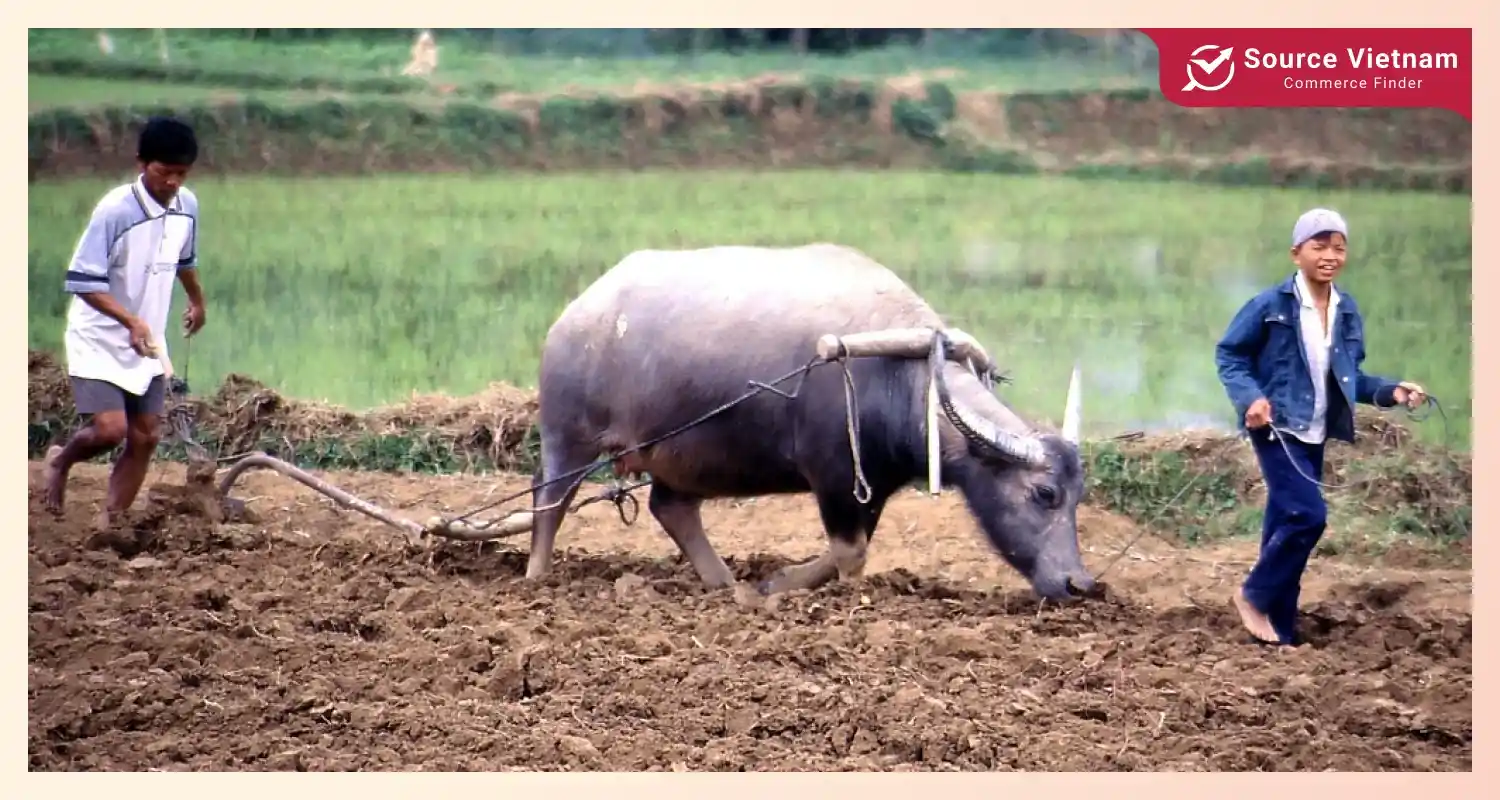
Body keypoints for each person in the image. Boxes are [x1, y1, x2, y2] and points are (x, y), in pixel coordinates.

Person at [1214, 207, 1426, 646]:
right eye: (1319, 245)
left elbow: (1352, 378)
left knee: (1282, 529)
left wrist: (1391, 392)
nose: (1330, 255)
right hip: (1277, 427)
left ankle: (1280, 632)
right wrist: (1251, 398)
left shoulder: (1347, 312)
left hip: (1314, 432)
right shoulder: (1269, 306)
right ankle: (1252, 596)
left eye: (1338, 247)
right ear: (1297, 254)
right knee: (1308, 516)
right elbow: (1230, 355)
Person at [42, 116, 208, 529]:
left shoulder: (188, 206)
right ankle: (61, 460)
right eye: (163, 171)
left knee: (146, 435)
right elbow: (82, 281)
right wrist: (129, 321)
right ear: (140, 163)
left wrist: (197, 300)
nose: (172, 182)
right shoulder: (115, 211)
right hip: (100, 336)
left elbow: (185, 260)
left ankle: (112, 522)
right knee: (111, 429)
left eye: (181, 173)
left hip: (147, 339)